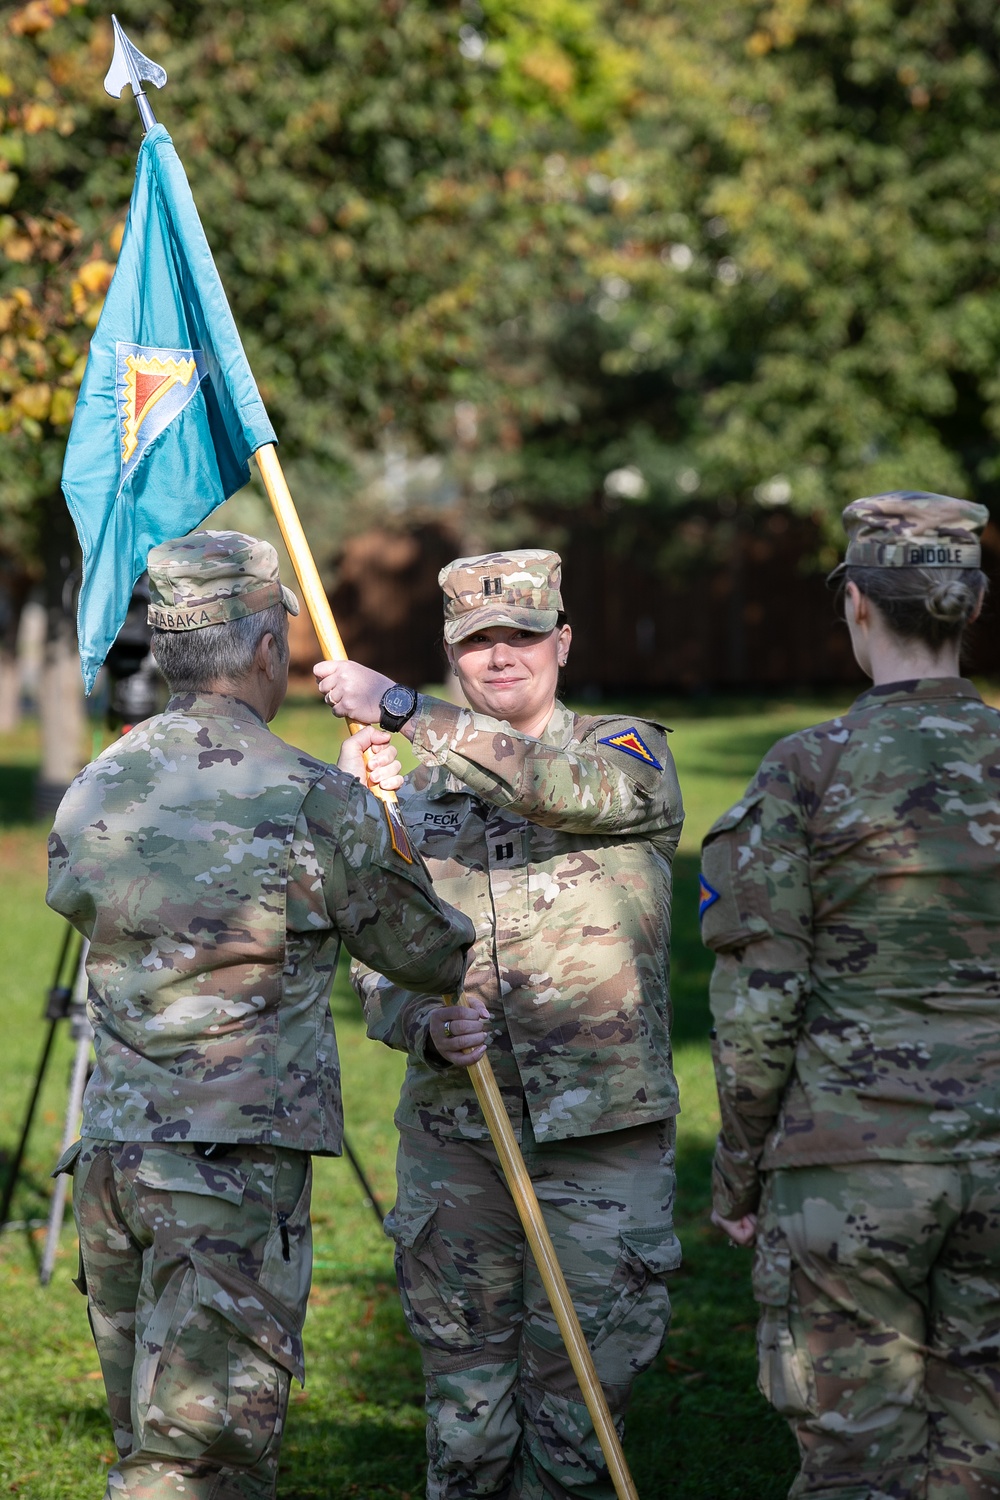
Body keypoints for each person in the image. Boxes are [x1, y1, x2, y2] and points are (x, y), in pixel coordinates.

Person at [47, 529, 474, 1500]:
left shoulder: (95, 787)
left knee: (146, 1451)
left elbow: (76, 898)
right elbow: (428, 954)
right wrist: (383, 815)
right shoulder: (307, 797)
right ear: (265, 650)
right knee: (201, 1471)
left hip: (114, 1155)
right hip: (228, 1172)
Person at [313, 548, 685, 1500]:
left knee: (583, 1416)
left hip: (600, 1135)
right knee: (466, 1414)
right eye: (479, 641)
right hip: (459, 1137)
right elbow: (376, 952)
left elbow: (563, 790)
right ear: (454, 653)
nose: (501, 655)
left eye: (522, 634)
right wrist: (420, 1025)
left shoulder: (627, 750)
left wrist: (401, 708)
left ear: (561, 641)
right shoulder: (406, 794)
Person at [700, 492, 1000, 1499]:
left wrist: (737, 1168)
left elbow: (759, 1000)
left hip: (848, 1164)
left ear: (856, 605)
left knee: (853, 1468)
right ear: (973, 603)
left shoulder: (807, 770)